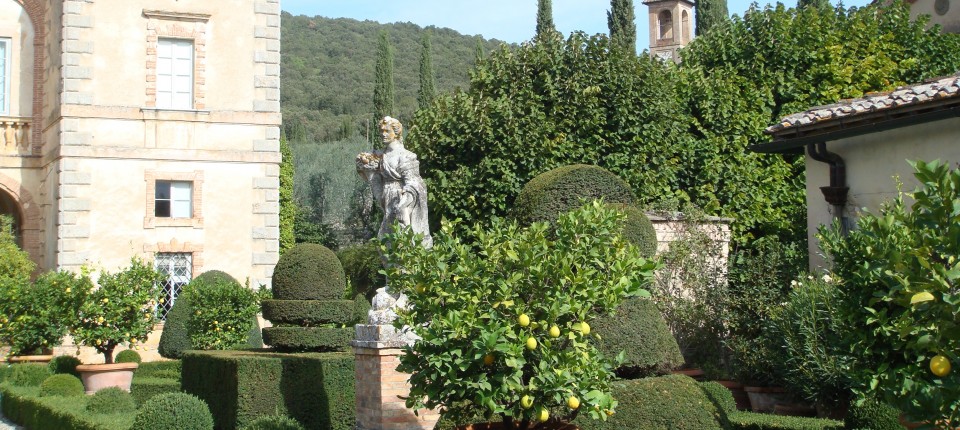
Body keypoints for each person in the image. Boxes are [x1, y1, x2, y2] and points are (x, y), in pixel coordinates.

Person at [356, 116, 432, 248]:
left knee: (403, 242)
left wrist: (405, 200)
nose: (383, 134)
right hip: (386, 197)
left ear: (396, 132)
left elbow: (414, 184)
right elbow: (366, 168)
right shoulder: (379, 156)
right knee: (387, 243)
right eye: (381, 131)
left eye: (387, 131)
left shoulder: (406, 156)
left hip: (400, 199)